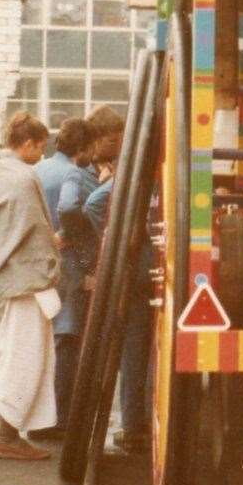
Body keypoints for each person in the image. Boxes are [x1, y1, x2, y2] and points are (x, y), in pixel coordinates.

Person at [0, 111, 61, 460]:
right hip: (24, 284)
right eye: (41, 147)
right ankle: (8, 436)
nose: (43, 155)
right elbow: (35, 232)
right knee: (24, 358)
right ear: (29, 144)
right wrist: (53, 257)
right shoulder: (23, 177)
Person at [32, 117, 97, 437]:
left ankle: (36, 414)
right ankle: (56, 419)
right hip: (66, 263)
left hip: (37, 263)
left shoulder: (39, 169)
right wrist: (70, 234)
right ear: (84, 148)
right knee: (67, 339)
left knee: (42, 340)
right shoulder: (74, 172)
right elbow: (70, 207)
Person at [81, 172, 152, 453]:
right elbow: (94, 204)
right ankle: (135, 424)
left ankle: (137, 422)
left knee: (140, 352)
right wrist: (124, 241)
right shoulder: (144, 175)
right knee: (136, 351)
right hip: (140, 276)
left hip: (143, 274)